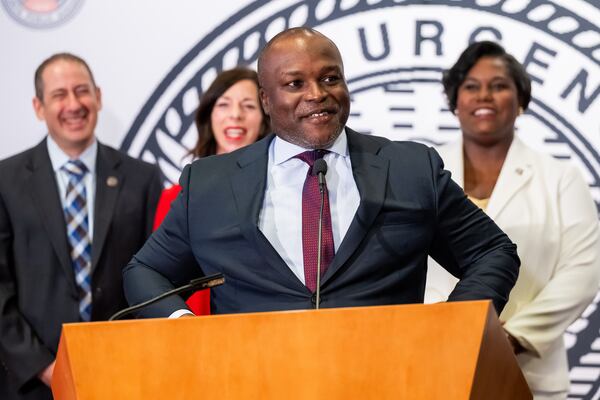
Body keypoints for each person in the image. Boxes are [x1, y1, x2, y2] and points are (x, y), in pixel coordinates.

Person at [123, 28, 519, 321]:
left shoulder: (410, 168)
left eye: (330, 78)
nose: (317, 94)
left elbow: (493, 252)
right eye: (295, 83)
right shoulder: (209, 183)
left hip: (388, 381)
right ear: (266, 99)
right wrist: (184, 326)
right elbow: (146, 271)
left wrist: (453, 328)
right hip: (251, 382)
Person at [425, 41, 600, 399]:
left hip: (529, 374)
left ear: (520, 101)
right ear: (455, 102)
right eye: (471, 86)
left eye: (500, 86)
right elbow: (398, 257)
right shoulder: (421, 171)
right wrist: (442, 328)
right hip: (431, 360)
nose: (484, 95)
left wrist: (512, 336)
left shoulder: (560, 177)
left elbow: (584, 270)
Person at [0, 53, 162, 399]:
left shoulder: (142, 178)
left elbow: (155, 277)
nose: (74, 105)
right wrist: (44, 367)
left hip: (123, 375)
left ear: (98, 96)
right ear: (38, 106)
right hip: (30, 383)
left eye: (82, 91)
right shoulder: (5, 181)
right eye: (59, 95)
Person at [153, 67, 269, 315]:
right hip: (193, 334)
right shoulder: (175, 197)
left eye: (248, 106)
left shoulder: (279, 191)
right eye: (224, 105)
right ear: (209, 116)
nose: (235, 115)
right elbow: (157, 276)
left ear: (263, 120)